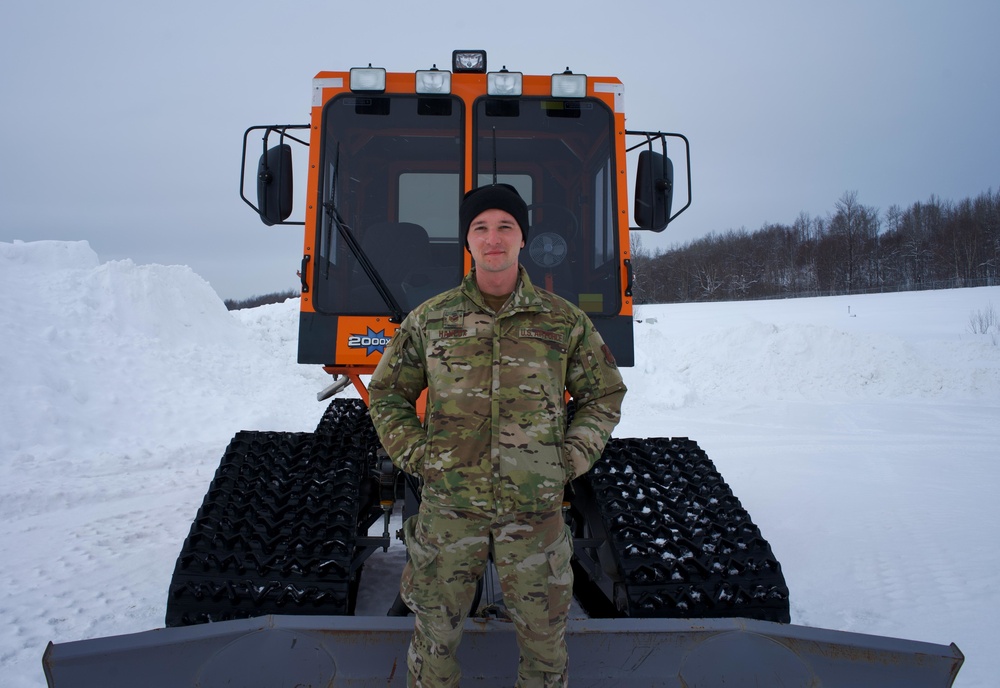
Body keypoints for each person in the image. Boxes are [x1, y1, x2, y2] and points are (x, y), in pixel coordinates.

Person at [368, 183, 627, 688]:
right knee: (434, 642)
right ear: (467, 240)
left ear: (522, 239)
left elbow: (603, 395)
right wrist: (420, 457)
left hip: (535, 515)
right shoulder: (430, 320)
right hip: (448, 514)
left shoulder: (563, 322)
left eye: (505, 227)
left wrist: (570, 457)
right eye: (481, 228)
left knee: (546, 645)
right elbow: (387, 395)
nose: (493, 239)